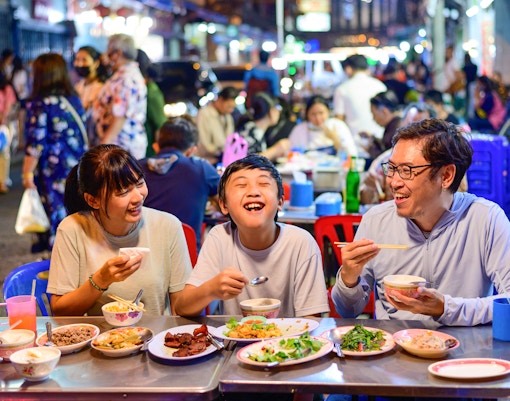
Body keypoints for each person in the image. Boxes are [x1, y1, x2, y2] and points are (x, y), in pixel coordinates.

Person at [331, 118, 510, 327]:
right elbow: (348, 311)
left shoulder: (485, 218)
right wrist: (348, 279)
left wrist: (446, 308)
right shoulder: (376, 220)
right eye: (391, 168)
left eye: (407, 170)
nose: (394, 182)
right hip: (393, 350)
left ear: (446, 176)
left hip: (462, 352)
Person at [174, 154, 329, 318]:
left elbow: (312, 320)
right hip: (235, 341)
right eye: (241, 185)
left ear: (280, 202)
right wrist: (211, 289)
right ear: (223, 205)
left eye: (263, 184)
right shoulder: (220, 237)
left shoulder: (301, 243)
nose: (253, 192)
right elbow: (182, 308)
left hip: (287, 342)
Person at [47, 144, 192, 316]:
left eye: (139, 184)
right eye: (123, 192)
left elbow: (181, 308)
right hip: (100, 340)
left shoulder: (168, 225)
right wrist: (101, 279)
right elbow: (60, 311)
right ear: (93, 201)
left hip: (155, 339)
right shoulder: (72, 229)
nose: (138, 197)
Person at [22, 53, 88, 254]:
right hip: (76, 167)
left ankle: (59, 267)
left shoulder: (41, 103)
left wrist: (26, 173)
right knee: (73, 213)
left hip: (52, 171)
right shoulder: (73, 99)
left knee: (55, 215)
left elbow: (36, 143)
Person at [140, 115, 220, 249]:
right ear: (192, 150)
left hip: (143, 255)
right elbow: (226, 205)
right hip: (188, 257)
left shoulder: (136, 168)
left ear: (157, 146)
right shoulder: (201, 168)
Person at [93, 33, 147, 159]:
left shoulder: (126, 79)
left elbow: (120, 117)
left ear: (117, 53)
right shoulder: (124, 75)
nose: (105, 54)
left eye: (108, 50)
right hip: (117, 147)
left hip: (119, 149)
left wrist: (101, 150)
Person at [333, 54, 387, 158]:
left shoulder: (342, 89)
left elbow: (338, 121)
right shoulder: (380, 86)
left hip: (355, 147)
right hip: (380, 144)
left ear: (348, 69)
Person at [288, 95, 357, 157]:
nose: (318, 118)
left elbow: (351, 154)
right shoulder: (299, 130)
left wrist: (335, 139)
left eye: (321, 113)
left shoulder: (338, 125)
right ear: (307, 114)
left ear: (328, 111)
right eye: (313, 114)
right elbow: (291, 155)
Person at [73, 46, 110, 146]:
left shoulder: (103, 88)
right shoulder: (78, 86)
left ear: (96, 63)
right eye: (77, 60)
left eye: (84, 60)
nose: (79, 64)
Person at [238, 92, 290, 161]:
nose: (279, 113)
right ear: (272, 111)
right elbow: (246, 161)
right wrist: (275, 149)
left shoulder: (255, 129)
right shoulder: (250, 130)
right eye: (278, 109)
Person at [195, 86, 238, 165]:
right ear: (220, 100)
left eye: (233, 107)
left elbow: (230, 140)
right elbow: (203, 143)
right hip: (206, 162)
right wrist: (219, 153)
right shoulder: (204, 114)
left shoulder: (228, 116)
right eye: (228, 106)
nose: (230, 110)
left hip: (223, 161)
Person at [136, 49, 166, 158]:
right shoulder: (141, 88)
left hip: (146, 153)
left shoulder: (150, 91)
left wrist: (160, 155)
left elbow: (160, 125)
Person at [369, 90, 402, 155]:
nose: (373, 119)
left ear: (385, 111)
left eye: (374, 114)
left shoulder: (397, 130)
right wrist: (373, 138)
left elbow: (387, 159)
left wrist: (370, 149)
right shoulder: (395, 125)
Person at [0, 72, 17, 193]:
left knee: (4, 154)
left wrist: (3, 117)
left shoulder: (7, 89)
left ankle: (2, 182)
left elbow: (9, 106)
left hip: (3, 126)